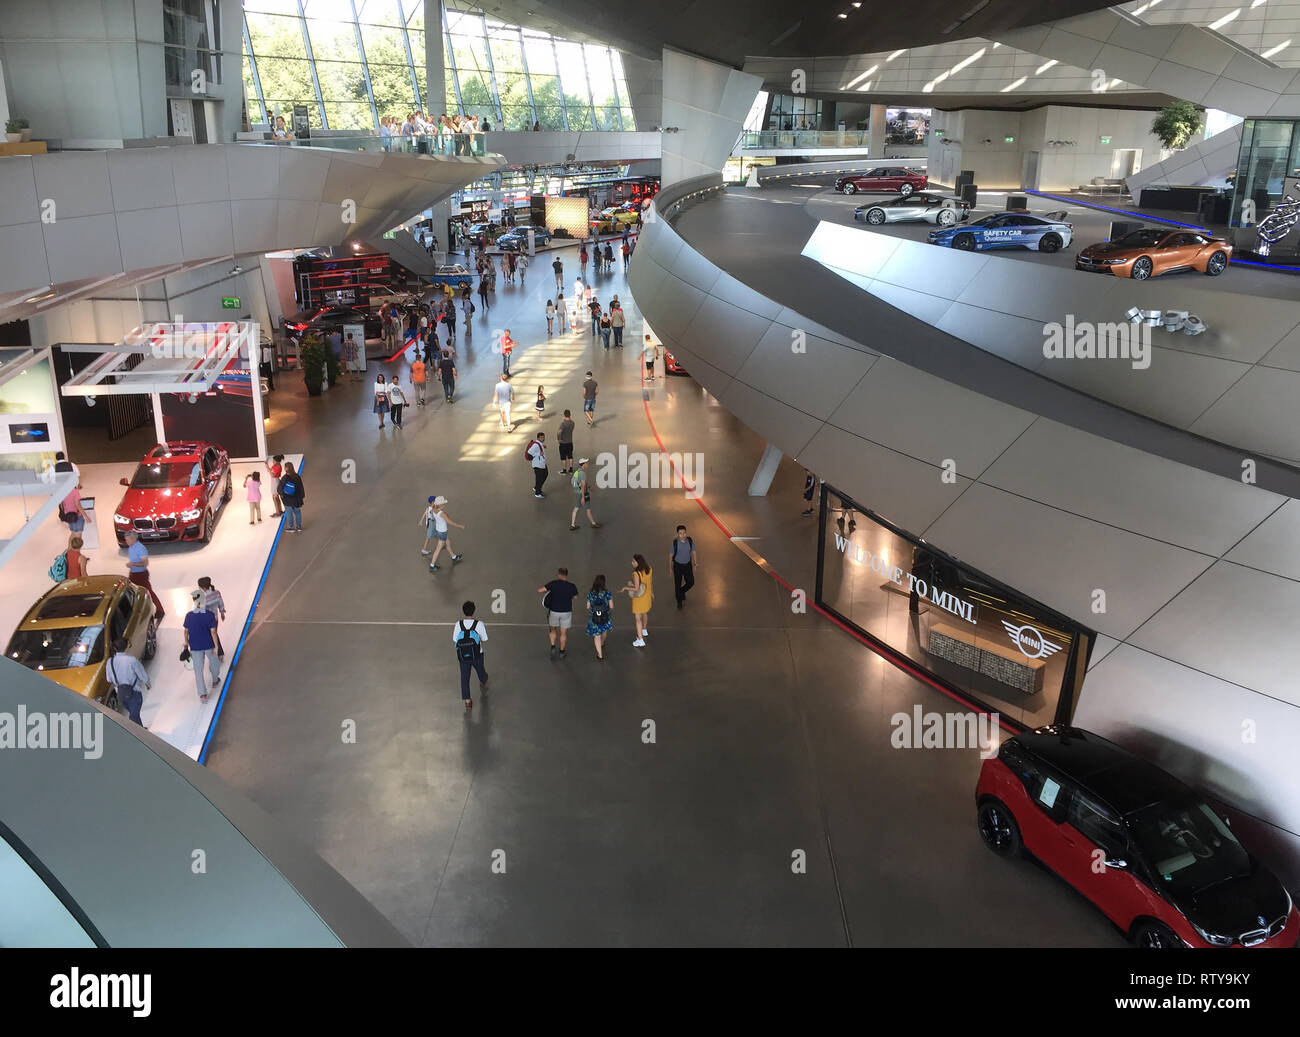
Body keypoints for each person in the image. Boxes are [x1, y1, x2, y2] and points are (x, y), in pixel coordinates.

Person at [182, 589, 221, 702]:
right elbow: (213, 632)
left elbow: (186, 631)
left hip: (195, 646)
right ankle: (215, 680)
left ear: (194, 601)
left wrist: (186, 642)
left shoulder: (189, 616)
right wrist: (216, 646)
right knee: (214, 662)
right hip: (209, 644)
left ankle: (203, 694)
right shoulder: (209, 615)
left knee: (198, 670)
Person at [451, 600, 489, 711]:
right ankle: (483, 680)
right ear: (474, 611)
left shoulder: (458, 624)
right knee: (480, 671)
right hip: (477, 654)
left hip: (463, 656)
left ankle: (467, 701)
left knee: (464, 677)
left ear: (463, 612)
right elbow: (484, 638)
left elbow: (455, 639)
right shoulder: (479, 624)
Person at [106, 637, 150, 727]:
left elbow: (108, 679)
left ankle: (141, 730)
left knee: (133, 713)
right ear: (126, 647)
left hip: (121, 694)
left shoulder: (109, 662)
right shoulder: (132, 660)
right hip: (134, 692)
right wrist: (147, 683)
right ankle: (138, 735)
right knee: (134, 716)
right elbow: (141, 673)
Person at [538, 567, 579, 660]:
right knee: (563, 633)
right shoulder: (571, 586)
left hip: (554, 611)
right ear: (566, 575)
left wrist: (549, 591)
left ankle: (553, 646)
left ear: (559, 574)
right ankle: (562, 652)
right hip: (566, 612)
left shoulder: (553, 584)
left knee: (552, 630)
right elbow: (575, 597)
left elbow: (540, 590)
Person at [123, 531, 164, 619]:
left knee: (149, 592)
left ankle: (160, 610)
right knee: (132, 592)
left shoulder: (141, 548)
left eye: (128, 540)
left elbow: (145, 563)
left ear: (133, 539)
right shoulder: (131, 547)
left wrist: (133, 564)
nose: (126, 542)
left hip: (141, 574)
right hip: (133, 573)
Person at [622, 555, 653, 648]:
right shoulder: (649, 569)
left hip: (639, 599)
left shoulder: (636, 574)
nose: (632, 563)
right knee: (645, 613)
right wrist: (652, 593)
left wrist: (625, 588)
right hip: (647, 596)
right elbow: (650, 582)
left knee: (637, 618)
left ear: (638, 563)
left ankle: (640, 640)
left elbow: (636, 588)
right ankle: (644, 630)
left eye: (633, 561)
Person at [427, 495, 465, 571]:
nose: (444, 504)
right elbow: (449, 522)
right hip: (442, 532)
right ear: (441, 505)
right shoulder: (442, 513)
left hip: (439, 530)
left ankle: (454, 557)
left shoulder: (434, 509)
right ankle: (432, 565)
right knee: (438, 549)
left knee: (448, 543)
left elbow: (430, 512)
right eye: (443, 503)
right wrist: (459, 526)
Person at [197, 576, 227, 659]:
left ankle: (217, 653)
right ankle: (219, 653)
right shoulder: (216, 592)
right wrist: (222, 613)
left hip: (206, 620)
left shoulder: (201, 596)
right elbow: (221, 603)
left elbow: (200, 610)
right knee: (214, 634)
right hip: (215, 618)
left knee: (211, 636)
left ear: (202, 587)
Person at [585, 574, 614, 660]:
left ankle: (600, 655)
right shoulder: (608, 593)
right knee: (604, 631)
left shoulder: (590, 594)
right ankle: (602, 643)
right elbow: (611, 606)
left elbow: (587, 607)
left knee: (596, 636)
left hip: (594, 617)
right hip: (605, 617)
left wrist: (594, 608)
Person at [670, 525, 697, 609]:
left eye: (684, 533)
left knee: (691, 582)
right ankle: (679, 601)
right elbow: (670, 556)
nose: (683, 535)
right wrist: (670, 568)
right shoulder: (675, 543)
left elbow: (693, 551)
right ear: (678, 534)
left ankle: (681, 591)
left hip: (687, 565)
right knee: (677, 584)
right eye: (680, 533)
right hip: (677, 566)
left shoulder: (689, 541)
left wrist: (695, 564)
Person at [569, 458, 600, 530]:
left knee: (576, 508)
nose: (587, 464)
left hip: (576, 492)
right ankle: (593, 523)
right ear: (583, 464)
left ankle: (572, 524)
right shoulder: (583, 473)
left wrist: (588, 486)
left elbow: (573, 481)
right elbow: (583, 485)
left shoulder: (577, 472)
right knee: (588, 508)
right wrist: (583, 496)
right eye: (586, 463)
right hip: (583, 493)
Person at [278, 461, 305, 533]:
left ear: (286, 468)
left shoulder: (285, 478)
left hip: (287, 500)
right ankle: (299, 527)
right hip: (296, 499)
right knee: (297, 512)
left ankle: (291, 527)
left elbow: (280, 488)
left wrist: (282, 496)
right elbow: (301, 488)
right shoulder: (297, 477)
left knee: (289, 513)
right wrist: (301, 497)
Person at [526, 432, 548, 498]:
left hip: (541, 463)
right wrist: (538, 454)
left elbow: (539, 447)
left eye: (543, 437)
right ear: (538, 438)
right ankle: (537, 493)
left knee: (545, 474)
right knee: (539, 478)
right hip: (538, 464)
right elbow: (529, 452)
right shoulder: (536, 445)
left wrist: (543, 446)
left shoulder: (539, 444)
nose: (543, 438)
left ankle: (537, 487)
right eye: (541, 437)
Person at [557, 409, 576, 474]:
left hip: (563, 443)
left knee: (563, 457)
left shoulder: (563, 424)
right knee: (570, 456)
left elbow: (559, 432)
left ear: (564, 415)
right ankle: (571, 469)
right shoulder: (572, 423)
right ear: (570, 415)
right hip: (570, 442)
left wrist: (558, 439)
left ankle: (564, 470)